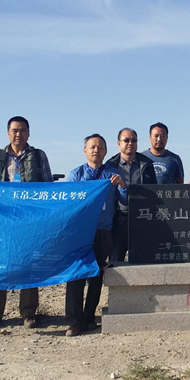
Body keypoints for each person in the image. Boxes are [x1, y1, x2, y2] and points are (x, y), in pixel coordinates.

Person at [0, 116, 53, 329]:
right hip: (3, 219)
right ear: (8, 133)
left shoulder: (38, 156)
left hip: (29, 220)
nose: (18, 134)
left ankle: (28, 313)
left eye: (22, 130)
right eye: (14, 130)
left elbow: (48, 186)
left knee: (28, 264)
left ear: (28, 133)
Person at [65, 134, 128, 336]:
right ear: (85, 151)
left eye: (100, 147)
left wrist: (122, 186)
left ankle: (89, 317)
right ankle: (74, 321)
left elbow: (125, 201)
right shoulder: (76, 175)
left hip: (103, 230)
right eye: (92, 147)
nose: (96, 150)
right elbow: (68, 202)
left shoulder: (113, 174)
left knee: (96, 275)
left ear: (106, 151)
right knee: (76, 274)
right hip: (80, 231)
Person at [105, 128, 157, 262]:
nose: (130, 143)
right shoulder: (110, 165)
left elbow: (154, 190)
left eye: (133, 140)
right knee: (116, 258)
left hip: (141, 216)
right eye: (126, 140)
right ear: (118, 143)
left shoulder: (147, 164)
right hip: (119, 217)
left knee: (142, 259)